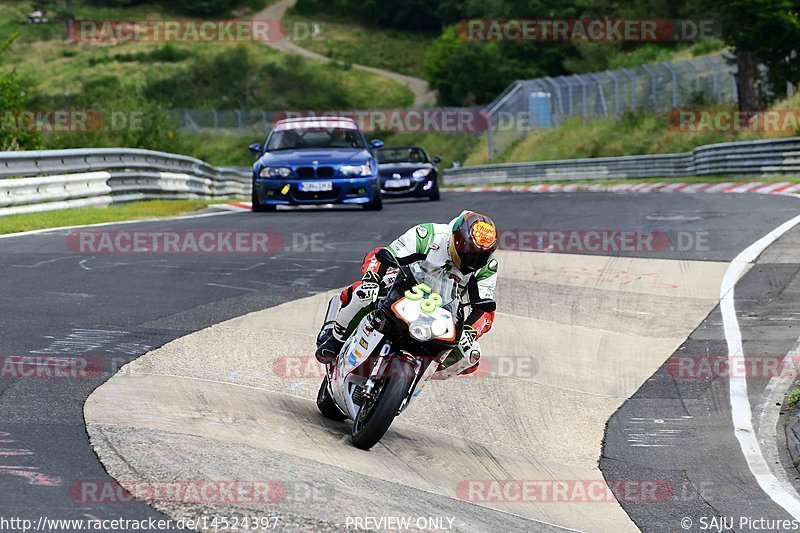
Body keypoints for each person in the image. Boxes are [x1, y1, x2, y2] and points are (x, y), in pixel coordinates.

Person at [315, 210, 499, 378]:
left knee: (471, 353)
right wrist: (371, 279)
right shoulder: (429, 235)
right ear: (457, 239)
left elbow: (485, 308)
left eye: (481, 256)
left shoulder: (488, 267)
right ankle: (336, 340)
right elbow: (385, 254)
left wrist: (470, 330)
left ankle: (425, 372)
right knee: (365, 292)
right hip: (402, 287)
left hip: (442, 308)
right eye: (470, 253)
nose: (473, 260)